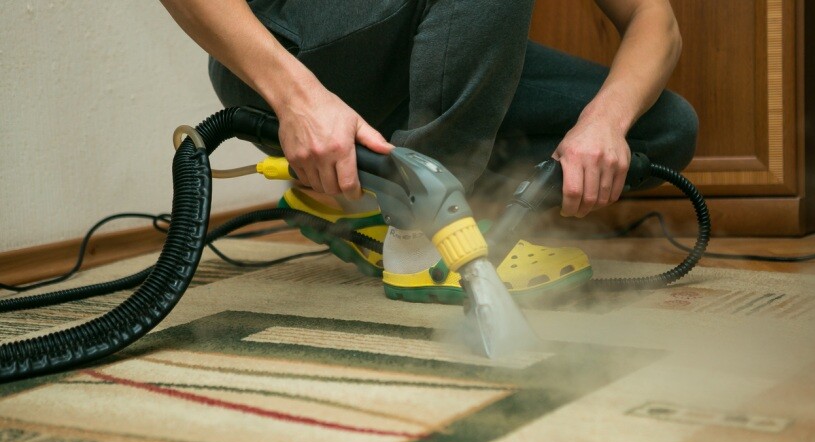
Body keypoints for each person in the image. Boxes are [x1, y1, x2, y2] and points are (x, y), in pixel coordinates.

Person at [160, 0, 698, 304]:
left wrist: (604, 122)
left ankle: (380, 203)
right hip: (295, 54)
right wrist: (298, 100)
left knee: (661, 129)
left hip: (438, 43)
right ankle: (420, 236)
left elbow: (657, 22)